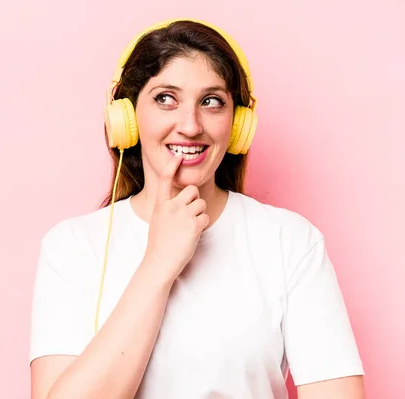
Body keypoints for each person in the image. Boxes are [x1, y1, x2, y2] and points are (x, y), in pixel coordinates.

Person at [28, 18, 365, 399]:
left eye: (211, 101)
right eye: (165, 98)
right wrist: (158, 262)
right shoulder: (72, 247)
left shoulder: (290, 240)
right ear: (128, 117)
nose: (190, 126)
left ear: (237, 125)